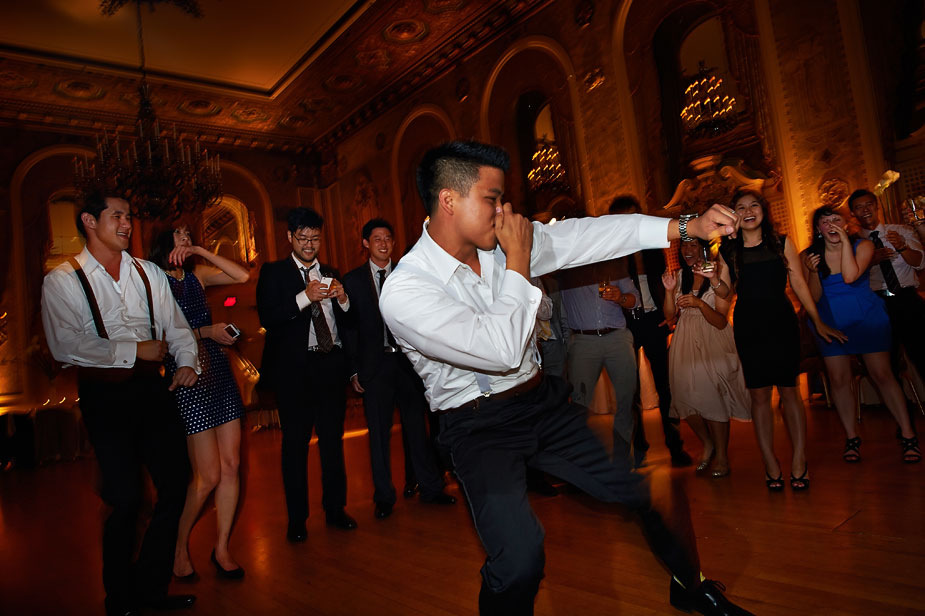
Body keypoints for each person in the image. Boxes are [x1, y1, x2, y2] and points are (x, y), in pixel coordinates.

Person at [379, 140, 754, 616]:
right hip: (477, 427)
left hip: (541, 402)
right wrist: (518, 259)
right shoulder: (406, 289)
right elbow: (498, 350)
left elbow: (592, 235)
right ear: (449, 201)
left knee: (656, 490)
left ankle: (689, 584)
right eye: (493, 199)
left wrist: (684, 226)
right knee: (518, 560)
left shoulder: (497, 246)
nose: (505, 211)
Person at [41, 192, 198, 615]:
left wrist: (187, 362)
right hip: (105, 394)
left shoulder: (149, 273)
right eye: (117, 216)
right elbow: (65, 344)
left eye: (129, 215)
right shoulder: (62, 279)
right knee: (125, 496)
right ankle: (120, 599)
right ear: (90, 221)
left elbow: (178, 328)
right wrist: (133, 350)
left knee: (175, 482)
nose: (127, 223)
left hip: (153, 389)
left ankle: (150, 588)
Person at [717, 189, 844, 490]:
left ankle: (800, 458)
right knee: (760, 397)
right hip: (748, 326)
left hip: (782, 323)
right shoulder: (727, 251)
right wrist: (713, 281)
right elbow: (724, 293)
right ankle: (770, 462)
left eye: (754, 205)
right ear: (733, 215)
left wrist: (816, 320)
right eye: (740, 207)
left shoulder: (781, 242)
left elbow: (799, 282)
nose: (748, 210)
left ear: (763, 210)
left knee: (790, 393)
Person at [147, 224, 250, 581]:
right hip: (186, 374)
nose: (186, 238)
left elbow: (242, 273)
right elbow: (158, 336)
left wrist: (202, 253)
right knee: (206, 476)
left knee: (232, 465)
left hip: (218, 370)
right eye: (179, 235)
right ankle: (177, 546)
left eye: (189, 234)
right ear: (164, 243)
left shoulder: (197, 276)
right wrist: (206, 331)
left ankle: (221, 547)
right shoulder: (154, 281)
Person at [341, 218, 456, 520]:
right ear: (366, 244)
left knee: (418, 429)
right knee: (378, 434)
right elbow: (349, 329)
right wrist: (354, 370)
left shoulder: (408, 276)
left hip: (409, 364)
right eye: (376, 238)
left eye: (387, 238)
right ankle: (384, 496)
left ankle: (430, 488)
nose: (383, 243)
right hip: (374, 367)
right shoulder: (352, 281)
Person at [256, 207, 358, 542]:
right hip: (294, 373)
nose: (310, 244)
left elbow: (348, 322)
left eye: (315, 238)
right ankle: (297, 520)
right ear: (290, 237)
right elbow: (270, 317)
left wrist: (343, 299)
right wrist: (304, 297)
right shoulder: (273, 273)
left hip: (330, 366)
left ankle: (335, 509)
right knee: (295, 446)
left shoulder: (331, 272)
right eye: (303, 238)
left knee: (332, 441)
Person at [801, 206, 920, 463]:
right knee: (839, 379)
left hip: (866, 315)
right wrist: (812, 272)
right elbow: (814, 297)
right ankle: (852, 438)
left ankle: (909, 435)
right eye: (825, 222)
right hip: (831, 320)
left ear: (846, 224)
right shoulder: (809, 255)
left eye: (836, 220)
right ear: (818, 229)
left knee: (882, 374)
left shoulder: (863, 246)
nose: (831, 225)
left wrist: (844, 242)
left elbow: (850, 275)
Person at [610, 195, 691, 468]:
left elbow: (663, 280)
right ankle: (639, 446)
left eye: (633, 216)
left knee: (665, 387)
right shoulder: (612, 251)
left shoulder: (652, 246)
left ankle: (675, 446)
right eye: (623, 218)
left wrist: (667, 313)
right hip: (627, 323)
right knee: (629, 389)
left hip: (654, 319)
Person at [662, 239, 750, 478]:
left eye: (693, 246)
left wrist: (699, 304)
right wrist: (669, 291)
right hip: (684, 340)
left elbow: (721, 321)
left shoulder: (719, 273)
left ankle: (721, 455)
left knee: (712, 399)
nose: (687, 251)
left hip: (712, 338)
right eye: (684, 246)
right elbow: (670, 317)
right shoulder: (679, 276)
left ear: (703, 248)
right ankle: (707, 444)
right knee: (683, 399)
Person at [559, 255, 641, 465]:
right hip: (583, 341)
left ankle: (621, 462)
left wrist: (620, 297)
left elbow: (635, 300)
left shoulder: (613, 266)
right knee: (579, 404)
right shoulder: (567, 268)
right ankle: (583, 462)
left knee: (625, 401)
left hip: (617, 338)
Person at [848, 189, 925, 380]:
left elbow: (920, 263)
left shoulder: (902, 231)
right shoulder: (852, 244)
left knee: (922, 355)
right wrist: (870, 261)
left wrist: (902, 247)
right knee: (887, 367)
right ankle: (902, 408)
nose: (865, 210)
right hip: (877, 304)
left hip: (907, 300)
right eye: (858, 208)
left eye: (868, 205)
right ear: (853, 214)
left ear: (876, 206)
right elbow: (849, 279)